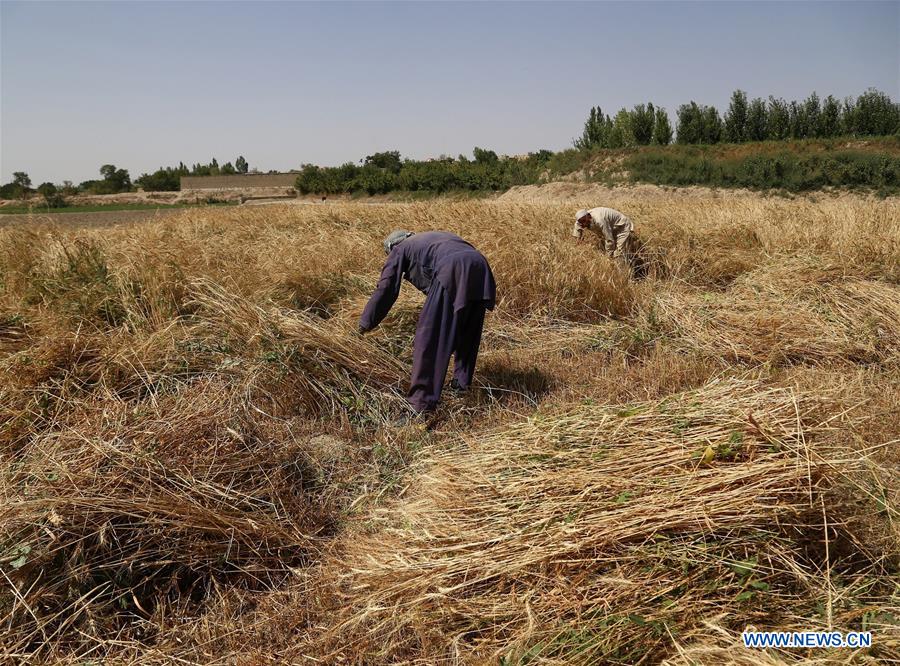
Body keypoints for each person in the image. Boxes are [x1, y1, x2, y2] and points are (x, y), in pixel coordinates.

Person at [359, 230, 496, 414]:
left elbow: (386, 288)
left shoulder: (400, 249)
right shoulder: (427, 239)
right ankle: (460, 386)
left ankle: (419, 407)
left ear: (392, 248)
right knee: (467, 330)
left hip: (452, 269)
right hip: (480, 266)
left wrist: (365, 323)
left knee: (430, 338)